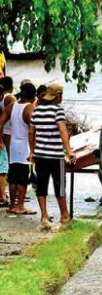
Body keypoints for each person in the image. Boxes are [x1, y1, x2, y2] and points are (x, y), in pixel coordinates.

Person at [30, 83, 75, 230]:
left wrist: (32, 151)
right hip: (56, 156)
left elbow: (31, 133)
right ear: (58, 96)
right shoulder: (58, 111)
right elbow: (63, 132)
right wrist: (69, 152)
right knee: (60, 185)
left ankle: (44, 217)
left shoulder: (36, 111)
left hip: (40, 155)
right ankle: (64, 216)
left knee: (41, 186)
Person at [0, 82, 36, 214]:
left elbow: (0, 122)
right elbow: (34, 129)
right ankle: (20, 206)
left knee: (13, 176)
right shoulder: (29, 108)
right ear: (33, 96)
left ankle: (12, 206)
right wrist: (34, 149)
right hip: (24, 146)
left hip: (13, 146)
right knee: (22, 178)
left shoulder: (11, 106)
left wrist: (0, 140)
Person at [0, 76, 15, 206]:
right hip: (8, 133)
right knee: (6, 165)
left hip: (5, 133)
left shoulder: (3, 98)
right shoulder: (9, 97)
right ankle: (5, 195)